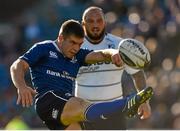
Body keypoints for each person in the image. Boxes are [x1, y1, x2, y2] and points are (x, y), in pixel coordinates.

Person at [10, 19, 153, 130]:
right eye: (72, 43)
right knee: (81, 104)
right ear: (61, 38)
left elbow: (100, 54)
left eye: (79, 44)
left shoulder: (77, 55)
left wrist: (114, 53)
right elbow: (17, 66)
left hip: (64, 108)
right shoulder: (44, 48)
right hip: (49, 100)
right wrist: (21, 86)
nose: (76, 48)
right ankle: (127, 103)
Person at [75, 6, 152, 130]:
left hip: (114, 114)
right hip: (84, 113)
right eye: (90, 21)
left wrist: (144, 101)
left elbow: (137, 73)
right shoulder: (74, 47)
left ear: (104, 22)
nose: (95, 25)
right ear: (83, 24)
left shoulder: (120, 45)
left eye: (99, 20)